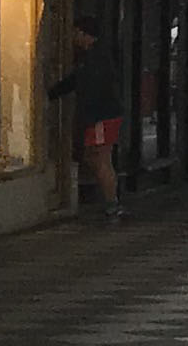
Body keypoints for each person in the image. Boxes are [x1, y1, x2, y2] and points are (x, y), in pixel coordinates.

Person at [48, 19, 130, 224]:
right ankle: (111, 201)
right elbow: (77, 80)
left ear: (85, 34)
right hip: (103, 114)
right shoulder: (94, 56)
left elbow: (89, 86)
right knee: (95, 156)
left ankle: (112, 205)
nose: (74, 37)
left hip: (101, 115)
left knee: (100, 157)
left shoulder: (95, 58)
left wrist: (88, 117)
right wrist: (54, 92)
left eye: (76, 33)